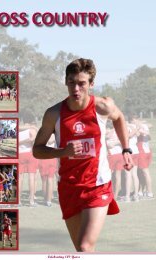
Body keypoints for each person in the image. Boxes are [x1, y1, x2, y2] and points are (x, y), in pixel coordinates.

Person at [33, 58, 134, 252]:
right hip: (69, 187)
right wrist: (63, 152)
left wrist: (126, 148)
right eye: (72, 82)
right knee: (82, 250)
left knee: (85, 246)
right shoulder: (54, 114)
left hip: (98, 185)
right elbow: (37, 149)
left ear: (91, 84)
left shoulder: (102, 107)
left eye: (82, 83)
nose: (76, 88)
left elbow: (119, 117)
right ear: (66, 82)